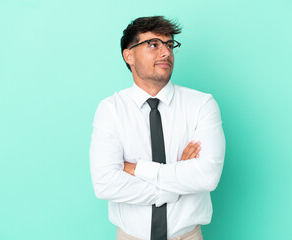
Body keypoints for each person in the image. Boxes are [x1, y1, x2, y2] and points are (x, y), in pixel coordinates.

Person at [90, 16, 226, 240]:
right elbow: (105, 183)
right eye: (154, 44)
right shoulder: (110, 109)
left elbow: (207, 176)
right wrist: (176, 182)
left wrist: (137, 169)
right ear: (129, 55)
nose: (166, 53)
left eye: (170, 45)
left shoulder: (202, 105)